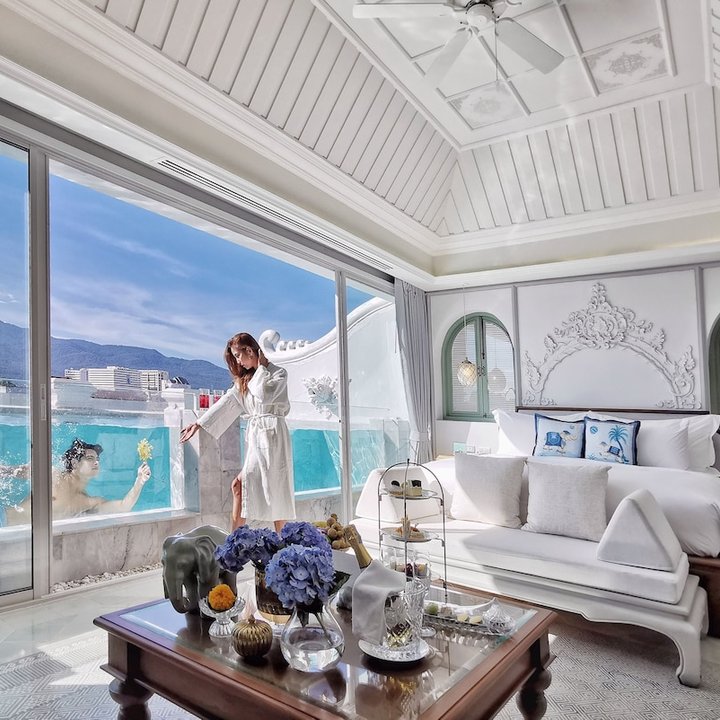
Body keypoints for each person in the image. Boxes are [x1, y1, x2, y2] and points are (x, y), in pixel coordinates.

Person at [179, 332, 295, 533]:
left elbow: (266, 395)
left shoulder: (278, 373)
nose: (238, 362)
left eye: (238, 355)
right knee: (240, 486)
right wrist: (199, 423)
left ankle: (281, 542)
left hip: (273, 437)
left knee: (273, 490)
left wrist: (262, 368)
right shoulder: (245, 380)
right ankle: (235, 540)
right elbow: (227, 402)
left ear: (250, 350)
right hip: (257, 437)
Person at [2, 438, 151, 523]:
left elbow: (123, 507)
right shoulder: (54, 476)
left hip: (26, 542)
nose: (96, 462)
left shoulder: (88, 502)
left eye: (97, 459)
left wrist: (139, 481)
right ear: (74, 463)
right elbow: (11, 471)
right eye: (90, 458)